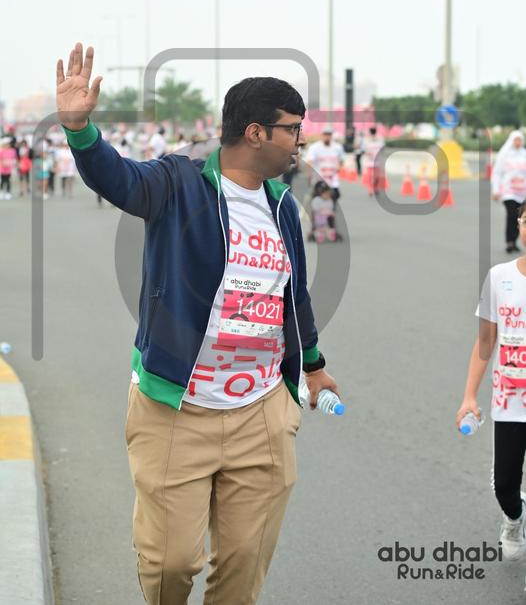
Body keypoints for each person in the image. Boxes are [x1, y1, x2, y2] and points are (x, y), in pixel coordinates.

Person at [56, 43, 340, 605]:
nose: (300, 142)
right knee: (171, 564)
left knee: (243, 563)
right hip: (177, 408)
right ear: (256, 133)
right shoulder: (177, 182)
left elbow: (294, 296)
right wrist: (80, 130)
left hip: (260, 409)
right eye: (292, 130)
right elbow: (118, 178)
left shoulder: (284, 205)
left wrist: (314, 367)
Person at [456, 200, 526, 565]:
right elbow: (485, 342)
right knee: (505, 488)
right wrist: (469, 396)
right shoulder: (500, 277)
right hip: (510, 403)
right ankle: (514, 518)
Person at [492, 130, 526, 253]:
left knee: (519, 217)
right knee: (511, 215)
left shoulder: (524, 154)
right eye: (515, 140)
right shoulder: (504, 155)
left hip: (522, 193)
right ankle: (509, 242)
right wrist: (496, 190)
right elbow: (497, 173)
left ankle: (514, 241)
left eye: (519, 140)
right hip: (508, 192)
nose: (518, 142)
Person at [305, 126, 345, 205]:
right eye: (325, 134)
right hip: (319, 179)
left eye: (329, 134)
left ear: (331, 135)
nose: (327, 137)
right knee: (317, 200)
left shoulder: (338, 147)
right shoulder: (315, 147)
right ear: (322, 135)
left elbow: (341, 160)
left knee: (335, 196)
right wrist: (309, 175)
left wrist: (339, 167)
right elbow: (310, 161)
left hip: (332, 180)